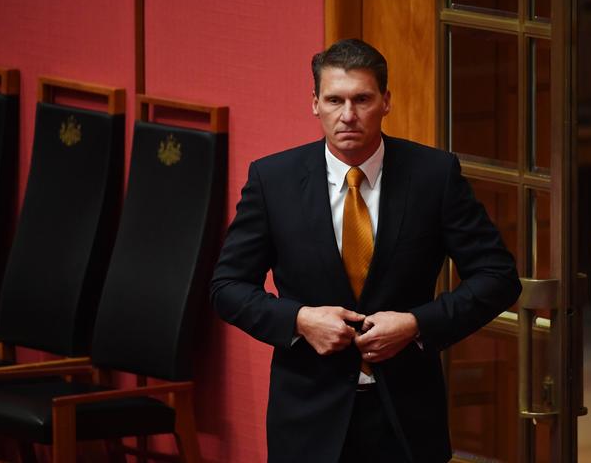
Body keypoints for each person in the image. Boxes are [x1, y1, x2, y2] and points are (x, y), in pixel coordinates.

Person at [211, 38, 521, 463]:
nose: (348, 115)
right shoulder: (273, 180)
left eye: (362, 99)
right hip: (307, 419)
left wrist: (415, 324)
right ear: (315, 104)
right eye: (335, 100)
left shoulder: (434, 176)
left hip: (406, 418)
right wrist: (300, 320)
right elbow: (226, 286)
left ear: (386, 101)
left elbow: (498, 277)